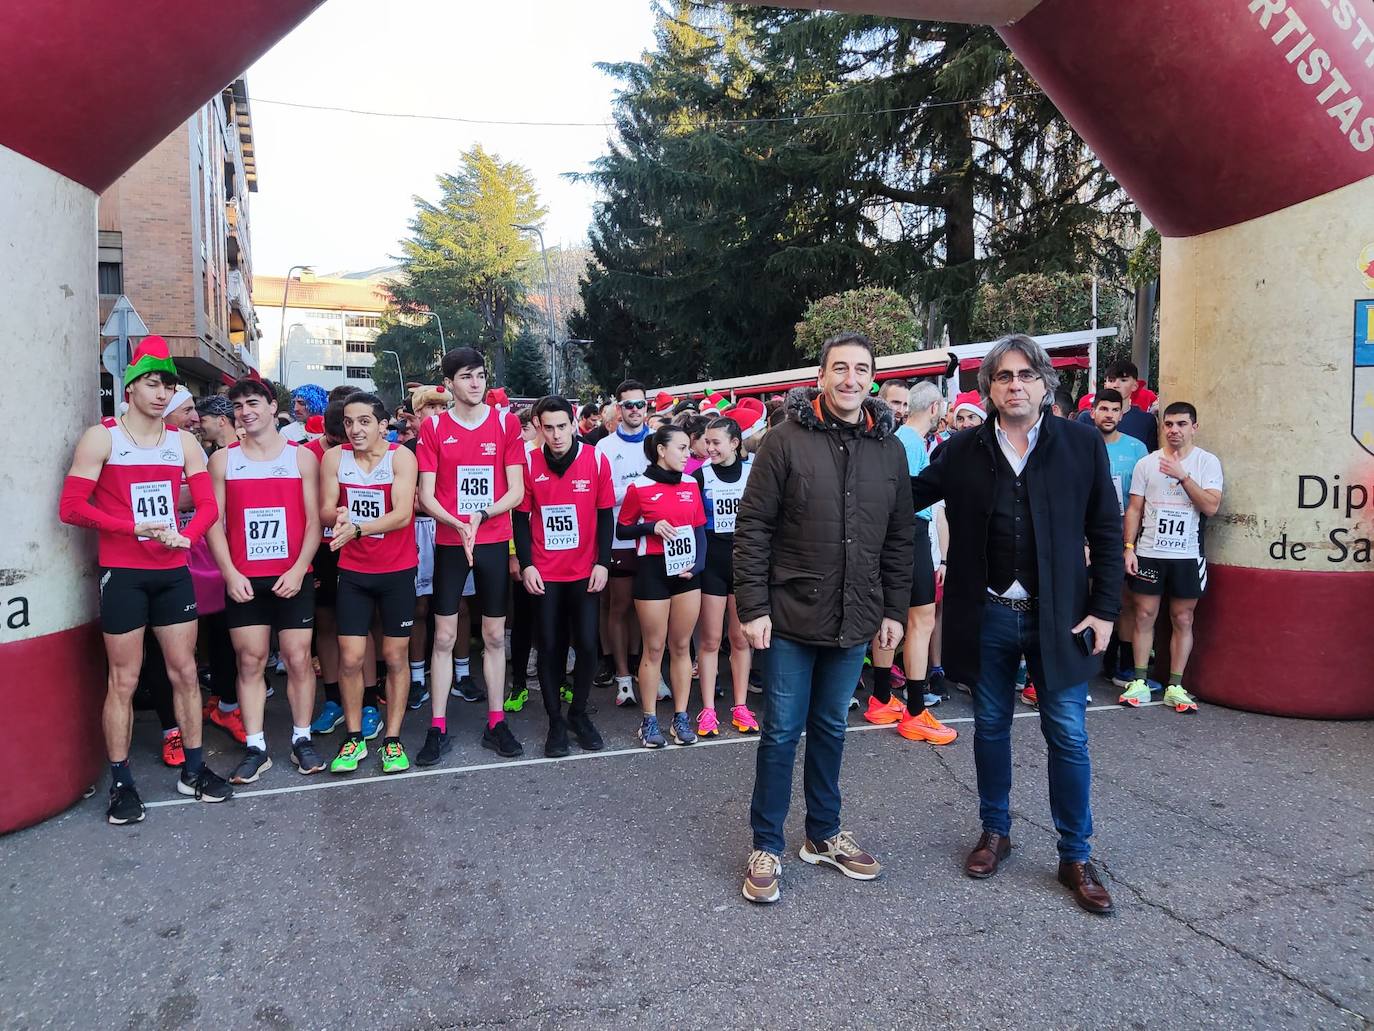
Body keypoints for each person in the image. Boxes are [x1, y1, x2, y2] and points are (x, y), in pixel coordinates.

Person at [911, 333, 1122, 915]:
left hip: (1061, 618)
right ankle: (995, 832)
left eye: (1026, 375)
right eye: (1004, 377)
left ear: (1045, 382)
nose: (1015, 385)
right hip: (990, 614)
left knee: (1069, 735)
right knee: (992, 728)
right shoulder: (961, 451)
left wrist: (1105, 609)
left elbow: (1106, 530)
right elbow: (906, 495)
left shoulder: (1081, 444)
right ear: (990, 389)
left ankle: (1075, 854)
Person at [735, 332, 914, 905]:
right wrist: (754, 607)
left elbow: (898, 536)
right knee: (782, 731)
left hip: (856, 616)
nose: (851, 379)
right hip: (789, 614)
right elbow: (753, 529)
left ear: (872, 379)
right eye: (840, 368)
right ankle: (767, 844)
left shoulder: (889, 449)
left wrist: (893, 608)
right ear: (821, 376)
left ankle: (823, 834)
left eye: (862, 369)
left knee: (833, 729)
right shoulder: (783, 442)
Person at [59, 335, 233, 823]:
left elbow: (208, 506)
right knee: (125, 679)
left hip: (173, 572)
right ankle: (121, 782)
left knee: (184, 673)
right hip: (125, 573)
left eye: (169, 386)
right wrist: (131, 528)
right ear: (131, 387)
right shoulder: (103, 437)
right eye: (154, 383)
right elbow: (71, 507)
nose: (163, 393)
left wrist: (187, 535)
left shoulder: (183, 441)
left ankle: (195, 770)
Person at [206, 378, 326, 781]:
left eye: (253, 403)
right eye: (237, 406)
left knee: (297, 659)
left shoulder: (302, 458)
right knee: (250, 660)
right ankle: (256, 745)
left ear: (273, 407)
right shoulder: (223, 460)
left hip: (293, 576)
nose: (245, 411)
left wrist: (298, 569)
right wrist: (229, 573)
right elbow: (213, 524)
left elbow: (314, 522)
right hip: (245, 579)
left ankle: (302, 738)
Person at [414, 348, 526, 765]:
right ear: (449, 385)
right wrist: (459, 524)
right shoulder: (434, 428)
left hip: (493, 536)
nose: (476, 383)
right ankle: (437, 726)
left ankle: (496, 722)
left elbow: (515, 490)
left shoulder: (505, 422)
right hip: (449, 540)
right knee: (443, 636)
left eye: (480, 375)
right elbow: (425, 495)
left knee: (495, 636)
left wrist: (480, 515)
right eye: (466, 377)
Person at [319, 393, 419, 774]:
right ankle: (355, 736)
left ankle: (392, 740)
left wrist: (357, 528)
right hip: (354, 573)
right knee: (350, 658)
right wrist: (338, 515)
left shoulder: (401, 457)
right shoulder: (335, 458)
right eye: (348, 422)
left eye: (363, 421)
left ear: (382, 425)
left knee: (394, 657)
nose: (355, 429)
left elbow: (401, 515)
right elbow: (326, 509)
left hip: (396, 571)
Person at [513, 396, 614, 756]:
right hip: (545, 571)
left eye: (561, 426)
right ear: (539, 427)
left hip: (584, 570)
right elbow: (520, 520)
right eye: (548, 427)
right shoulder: (528, 461)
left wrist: (603, 561)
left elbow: (605, 515)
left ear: (573, 424)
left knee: (587, 644)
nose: (556, 435)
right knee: (550, 647)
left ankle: (578, 713)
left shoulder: (596, 458)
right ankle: (555, 721)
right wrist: (526, 564)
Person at [865, 380, 956, 740]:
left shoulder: (893, 440)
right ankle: (916, 711)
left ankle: (882, 697)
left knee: (891, 619)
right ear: (934, 409)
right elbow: (916, 503)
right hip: (910, 536)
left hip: (888, 539)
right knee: (921, 621)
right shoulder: (914, 444)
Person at [1119, 402, 1223, 713]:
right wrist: (1129, 547)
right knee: (1143, 615)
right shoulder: (1147, 464)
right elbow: (1135, 508)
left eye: (1181, 424)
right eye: (1168, 424)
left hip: (1187, 554)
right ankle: (1139, 679)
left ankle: (1175, 685)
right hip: (1150, 552)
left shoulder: (1207, 462)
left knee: (1183, 618)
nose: (1174, 430)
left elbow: (1211, 507)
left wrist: (1183, 476)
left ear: (1194, 427)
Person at [617, 425, 707, 748]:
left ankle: (681, 717)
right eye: (682, 448)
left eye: (688, 448)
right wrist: (651, 527)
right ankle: (649, 719)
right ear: (661, 450)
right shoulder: (638, 487)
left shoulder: (690, 484)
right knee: (654, 648)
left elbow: (699, 531)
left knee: (682, 647)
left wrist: (697, 566)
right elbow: (623, 529)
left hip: (686, 573)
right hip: (653, 571)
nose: (688, 454)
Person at [691, 417, 759, 737]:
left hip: (745, 565)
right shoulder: (699, 476)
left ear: (735, 443)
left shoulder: (753, 472)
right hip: (713, 564)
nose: (710, 448)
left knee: (740, 638)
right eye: (707, 442)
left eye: (716, 442)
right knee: (710, 640)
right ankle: (707, 710)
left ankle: (741, 706)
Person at [595, 379, 651, 707]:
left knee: (648, 608)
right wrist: (636, 493)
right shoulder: (604, 447)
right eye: (628, 405)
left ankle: (645, 669)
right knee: (619, 605)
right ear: (618, 409)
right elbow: (602, 496)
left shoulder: (656, 442)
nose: (634, 410)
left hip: (654, 538)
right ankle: (622, 676)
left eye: (639, 404)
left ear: (647, 408)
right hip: (618, 537)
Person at [1089, 389, 1149, 682]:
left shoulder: (1137, 448)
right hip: (1087, 534)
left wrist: (1131, 544)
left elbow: (1140, 500)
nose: (1109, 414)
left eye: (1114, 409)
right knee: (1083, 595)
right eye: (1104, 409)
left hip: (1123, 533)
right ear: (1093, 412)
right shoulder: (1082, 443)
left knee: (1124, 598)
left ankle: (1122, 664)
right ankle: (1086, 661)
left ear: (1122, 414)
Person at [404, 385, 449, 709]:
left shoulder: (456, 445)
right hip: (416, 530)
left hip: (449, 527)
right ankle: (417, 677)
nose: (436, 414)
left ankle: (460, 673)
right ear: (417, 415)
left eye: (441, 408)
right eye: (429, 409)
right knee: (419, 606)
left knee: (456, 604)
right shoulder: (405, 450)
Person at [1079, 361, 1158, 452]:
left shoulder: (1146, 420)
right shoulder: (1086, 418)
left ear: (1135, 385)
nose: (1116, 385)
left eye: (1123, 380)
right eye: (1111, 380)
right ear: (1105, 385)